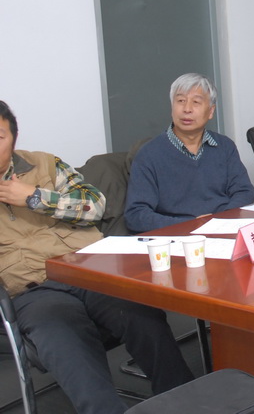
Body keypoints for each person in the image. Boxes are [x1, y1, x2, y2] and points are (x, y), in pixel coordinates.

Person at [0, 100, 194, 414]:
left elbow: (95, 206)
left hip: (87, 270)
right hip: (34, 290)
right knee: (66, 340)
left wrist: (36, 198)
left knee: (141, 314)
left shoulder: (44, 164)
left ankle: (188, 402)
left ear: (13, 138)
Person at [125, 73, 254, 233]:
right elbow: (136, 215)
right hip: (178, 236)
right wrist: (192, 224)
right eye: (180, 101)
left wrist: (219, 220)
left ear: (211, 111)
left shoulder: (224, 146)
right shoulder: (149, 154)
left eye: (196, 102)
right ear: (172, 108)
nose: (187, 109)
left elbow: (244, 191)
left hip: (223, 229)